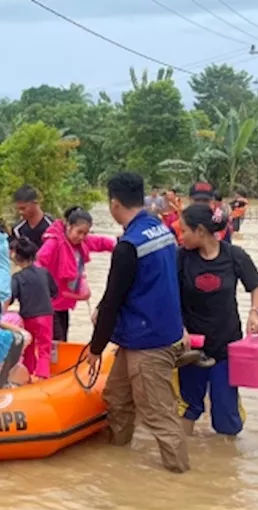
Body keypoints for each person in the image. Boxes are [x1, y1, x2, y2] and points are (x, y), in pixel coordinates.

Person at [85, 172, 191, 473]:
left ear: (114, 204)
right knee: (116, 398)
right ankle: (119, 463)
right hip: (147, 332)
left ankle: (181, 480)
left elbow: (115, 298)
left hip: (149, 342)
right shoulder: (160, 229)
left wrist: (95, 348)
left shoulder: (128, 246)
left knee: (159, 414)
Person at [177, 204, 258, 437]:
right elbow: (167, 298)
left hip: (226, 347)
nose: (181, 235)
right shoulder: (181, 258)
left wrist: (255, 311)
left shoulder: (234, 256)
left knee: (226, 413)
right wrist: (180, 328)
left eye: (184, 230)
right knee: (188, 406)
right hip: (191, 350)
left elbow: (257, 285)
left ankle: (227, 465)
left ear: (200, 232)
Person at [36, 206, 116, 342]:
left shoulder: (82, 242)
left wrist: (122, 245)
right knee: (56, 343)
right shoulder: (54, 242)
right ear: (68, 226)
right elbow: (38, 262)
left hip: (62, 304)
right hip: (49, 304)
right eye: (79, 232)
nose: (82, 237)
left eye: (85, 233)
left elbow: (102, 243)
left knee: (62, 340)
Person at [9, 236, 57, 380]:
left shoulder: (17, 277)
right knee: (44, 348)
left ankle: (28, 375)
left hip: (28, 316)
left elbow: (10, 298)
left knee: (28, 347)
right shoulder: (44, 272)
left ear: (17, 258)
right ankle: (42, 376)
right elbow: (54, 292)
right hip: (46, 315)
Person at [12, 185, 53, 250]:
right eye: (18, 209)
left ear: (35, 203)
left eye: (23, 208)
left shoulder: (52, 227)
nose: (20, 212)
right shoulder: (17, 229)